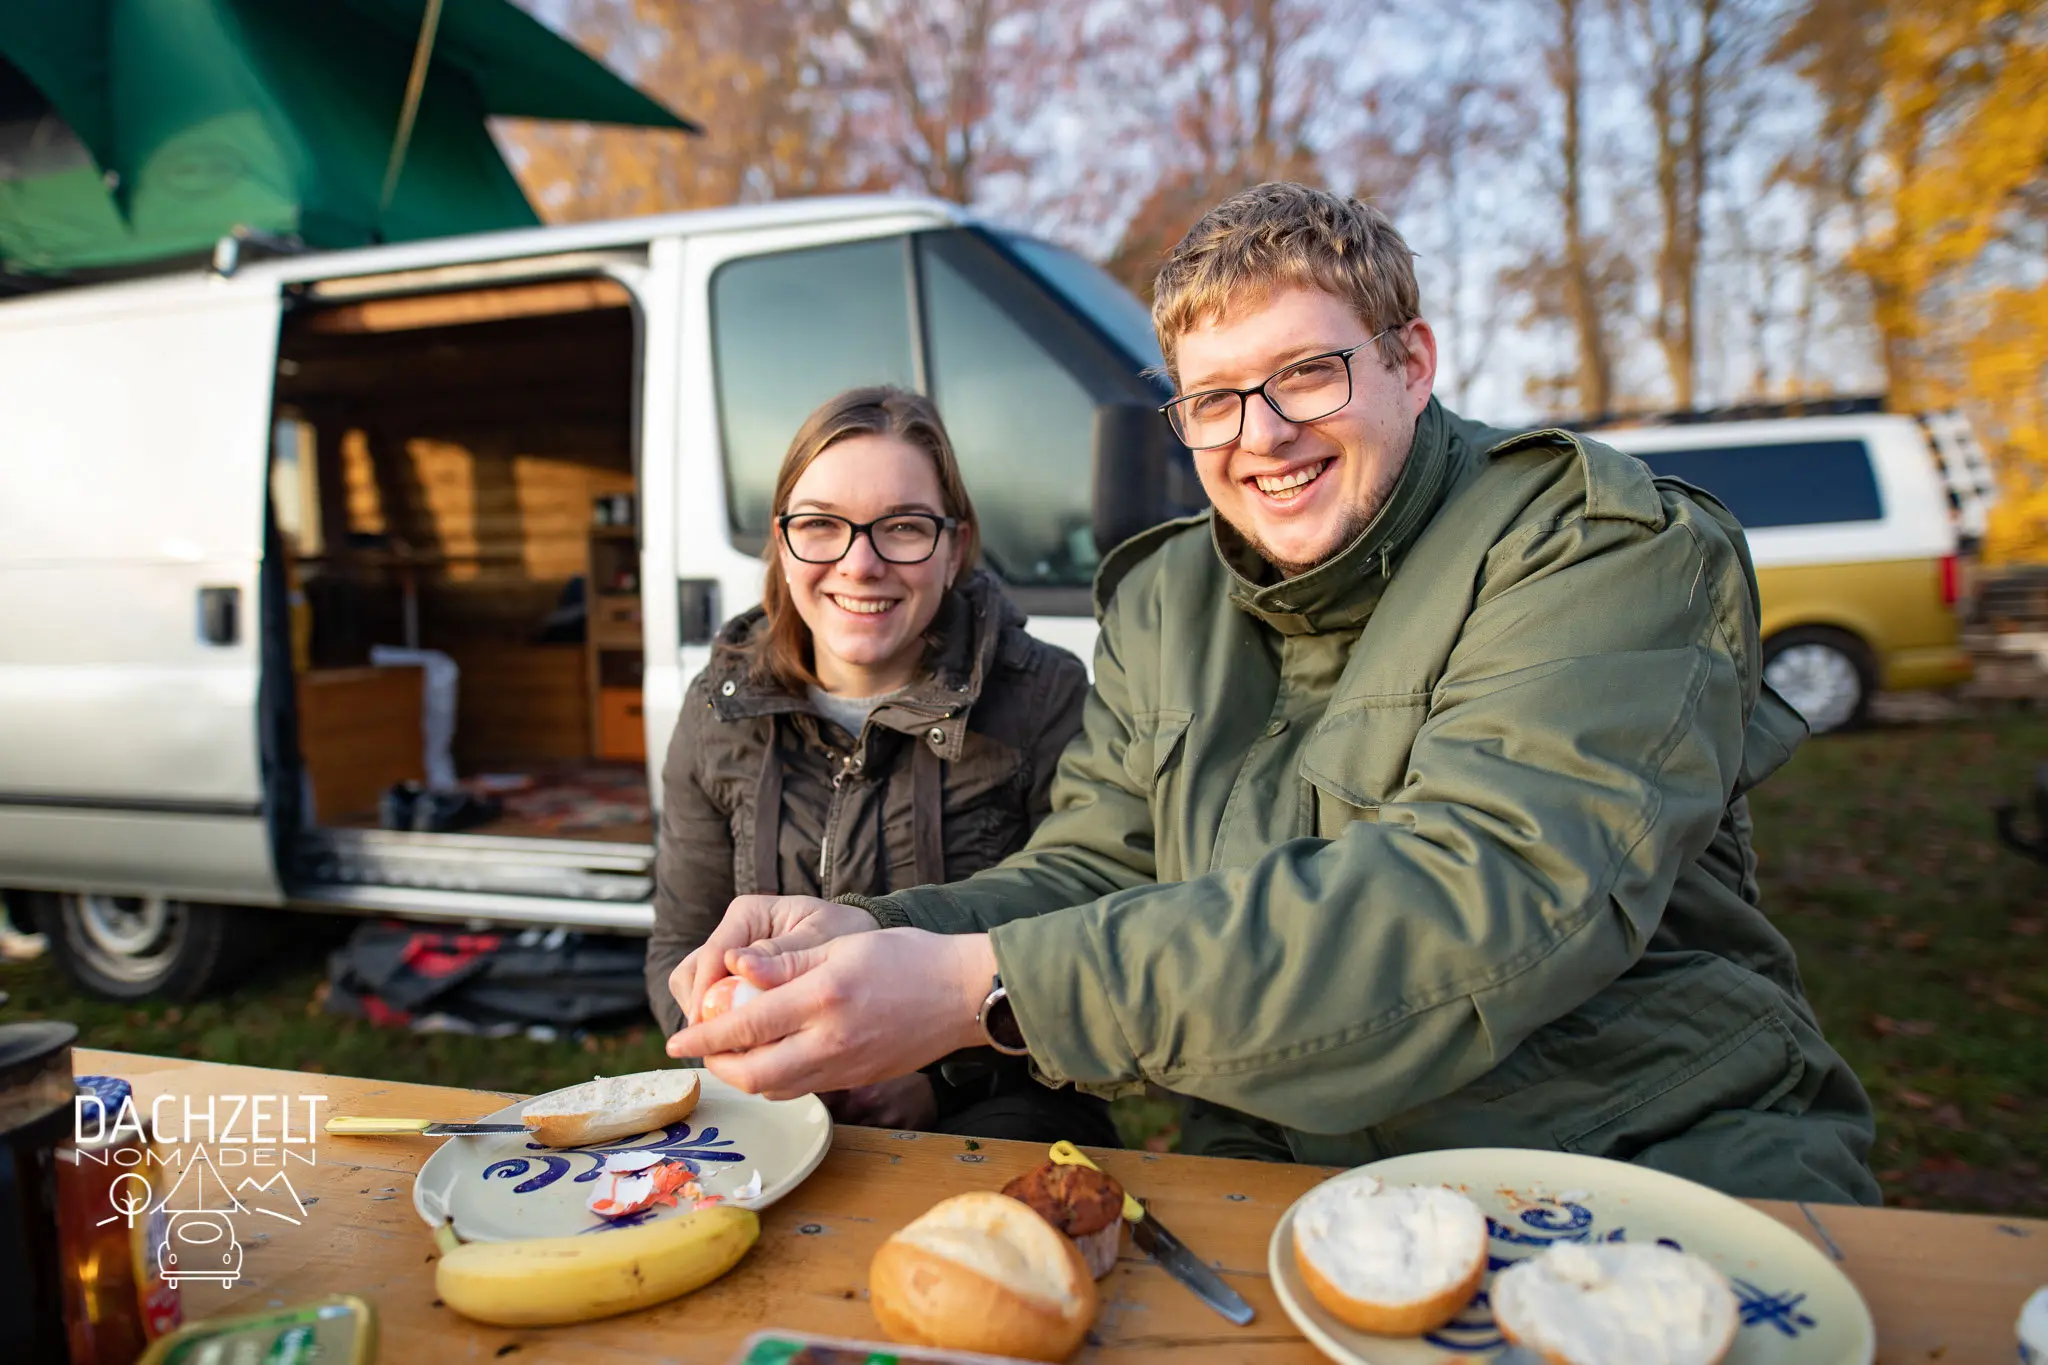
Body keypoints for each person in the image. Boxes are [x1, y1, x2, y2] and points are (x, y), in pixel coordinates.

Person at [664, 185, 1880, 1203]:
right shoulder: (1164, 599)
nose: (1262, 436)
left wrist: (978, 990)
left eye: (1305, 374)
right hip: (1280, 1177)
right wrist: (882, 936)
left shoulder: (1594, 545)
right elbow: (1096, 866)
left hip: (1637, 1158)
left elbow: (1483, 897)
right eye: (1211, 399)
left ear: (1411, 361)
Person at [646, 385, 1116, 1145]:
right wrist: (754, 1043)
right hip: (775, 1109)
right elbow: (680, 946)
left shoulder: (1044, 699)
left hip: (996, 1112)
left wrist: (933, 1067)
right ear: (783, 540)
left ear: (956, 545)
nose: (859, 565)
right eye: (822, 525)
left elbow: (1094, 937)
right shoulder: (718, 709)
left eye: (901, 527)